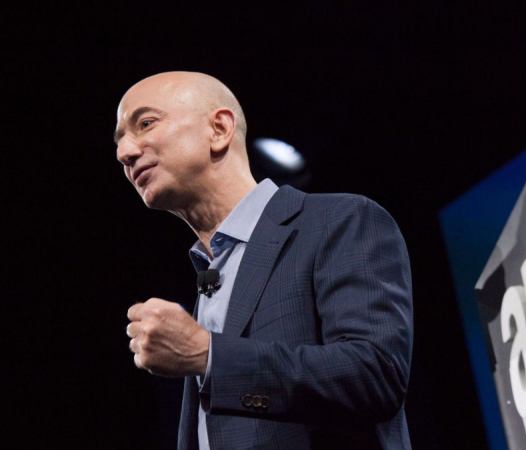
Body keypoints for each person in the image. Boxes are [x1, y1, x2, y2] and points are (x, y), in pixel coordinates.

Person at [116, 71, 414, 449]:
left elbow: (374, 376)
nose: (125, 152)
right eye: (119, 140)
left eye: (145, 123)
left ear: (219, 129)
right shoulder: (208, 273)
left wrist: (208, 355)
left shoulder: (340, 221)